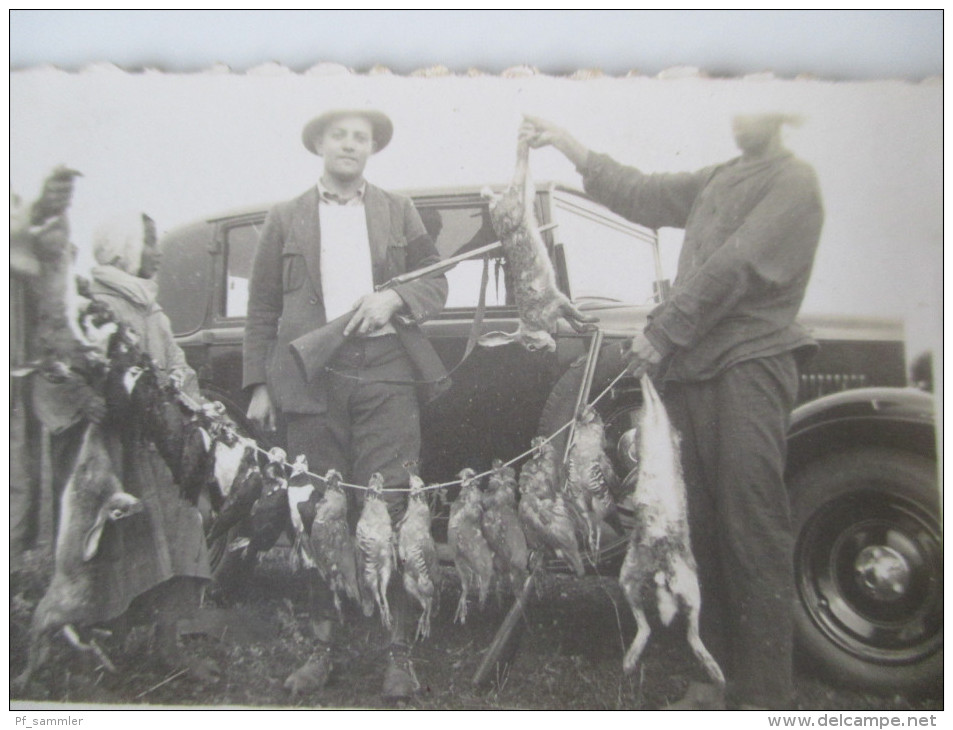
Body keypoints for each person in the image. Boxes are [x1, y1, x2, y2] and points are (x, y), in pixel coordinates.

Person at [521, 112, 823, 710]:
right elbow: (645, 193)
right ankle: (713, 676)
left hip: (751, 362)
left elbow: (736, 263)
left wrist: (664, 330)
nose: (741, 117)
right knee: (695, 528)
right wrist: (573, 147)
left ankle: (764, 696)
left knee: (750, 522)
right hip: (693, 367)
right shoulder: (720, 176)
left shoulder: (793, 182)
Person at [243, 109, 448, 701]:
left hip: (386, 374)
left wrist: (396, 299)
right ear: (320, 144)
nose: (351, 144)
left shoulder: (398, 209)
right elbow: (261, 309)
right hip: (310, 381)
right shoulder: (284, 217)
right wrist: (259, 383)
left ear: (371, 149)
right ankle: (322, 647)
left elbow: (435, 282)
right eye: (340, 135)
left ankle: (398, 652)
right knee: (317, 516)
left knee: (389, 508)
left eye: (362, 137)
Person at [32, 211, 217, 682]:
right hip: (112, 454)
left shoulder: (151, 309)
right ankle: (81, 642)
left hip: (156, 447)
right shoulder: (91, 302)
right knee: (106, 546)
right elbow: (55, 367)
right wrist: (85, 398)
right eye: (150, 243)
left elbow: (176, 366)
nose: (158, 253)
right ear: (125, 249)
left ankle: (167, 642)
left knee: (180, 529)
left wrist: (191, 405)